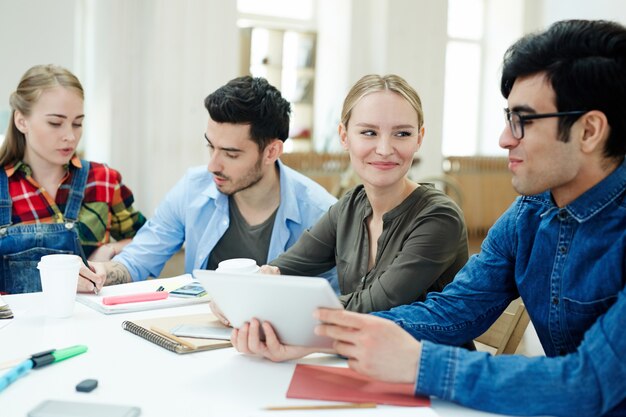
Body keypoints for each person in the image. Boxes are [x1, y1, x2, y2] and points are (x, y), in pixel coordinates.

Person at [232, 20, 626, 417]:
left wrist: (418, 363)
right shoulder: (528, 214)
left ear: (589, 130)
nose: (504, 138)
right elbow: (453, 311)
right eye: (508, 117)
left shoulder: (451, 214)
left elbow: (587, 384)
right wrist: (322, 338)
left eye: (522, 119)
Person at [79, 76, 337, 292]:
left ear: (271, 152)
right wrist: (98, 273)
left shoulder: (320, 213)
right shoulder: (193, 187)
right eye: (210, 146)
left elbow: (333, 305)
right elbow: (136, 261)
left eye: (231, 154)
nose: (213, 165)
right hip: (196, 338)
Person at [255, 74, 468, 314]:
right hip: (353, 348)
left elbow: (374, 306)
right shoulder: (350, 207)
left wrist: (279, 303)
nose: (385, 150)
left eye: (402, 134)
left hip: (421, 351)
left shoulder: (440, 218)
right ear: (344, 136)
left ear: (419, 138)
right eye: (369, 132)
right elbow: (283, 268)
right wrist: (257, 284)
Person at [0, 64, 146, 295]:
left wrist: (109, 251)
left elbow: (148, 243)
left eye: (77, 123)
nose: (70, 136)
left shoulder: (102, 180)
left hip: (91, 324)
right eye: (55, 123)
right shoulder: (3, 188)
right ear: (21, 121)